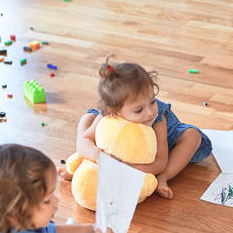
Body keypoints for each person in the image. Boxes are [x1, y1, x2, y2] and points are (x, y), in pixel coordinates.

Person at [64, 55, 212, 199]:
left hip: (164, 146)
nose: (150, 112)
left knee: (193, 135)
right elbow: (84, 140)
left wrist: (130, 169)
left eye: (152, 101)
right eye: (139, 110)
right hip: (116, 149)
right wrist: (98, 156)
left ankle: (163, 179)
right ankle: (82, 163)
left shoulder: (158, 117)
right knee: (87, 118)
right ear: (114, 111)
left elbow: (160, 161)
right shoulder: (107, 116)